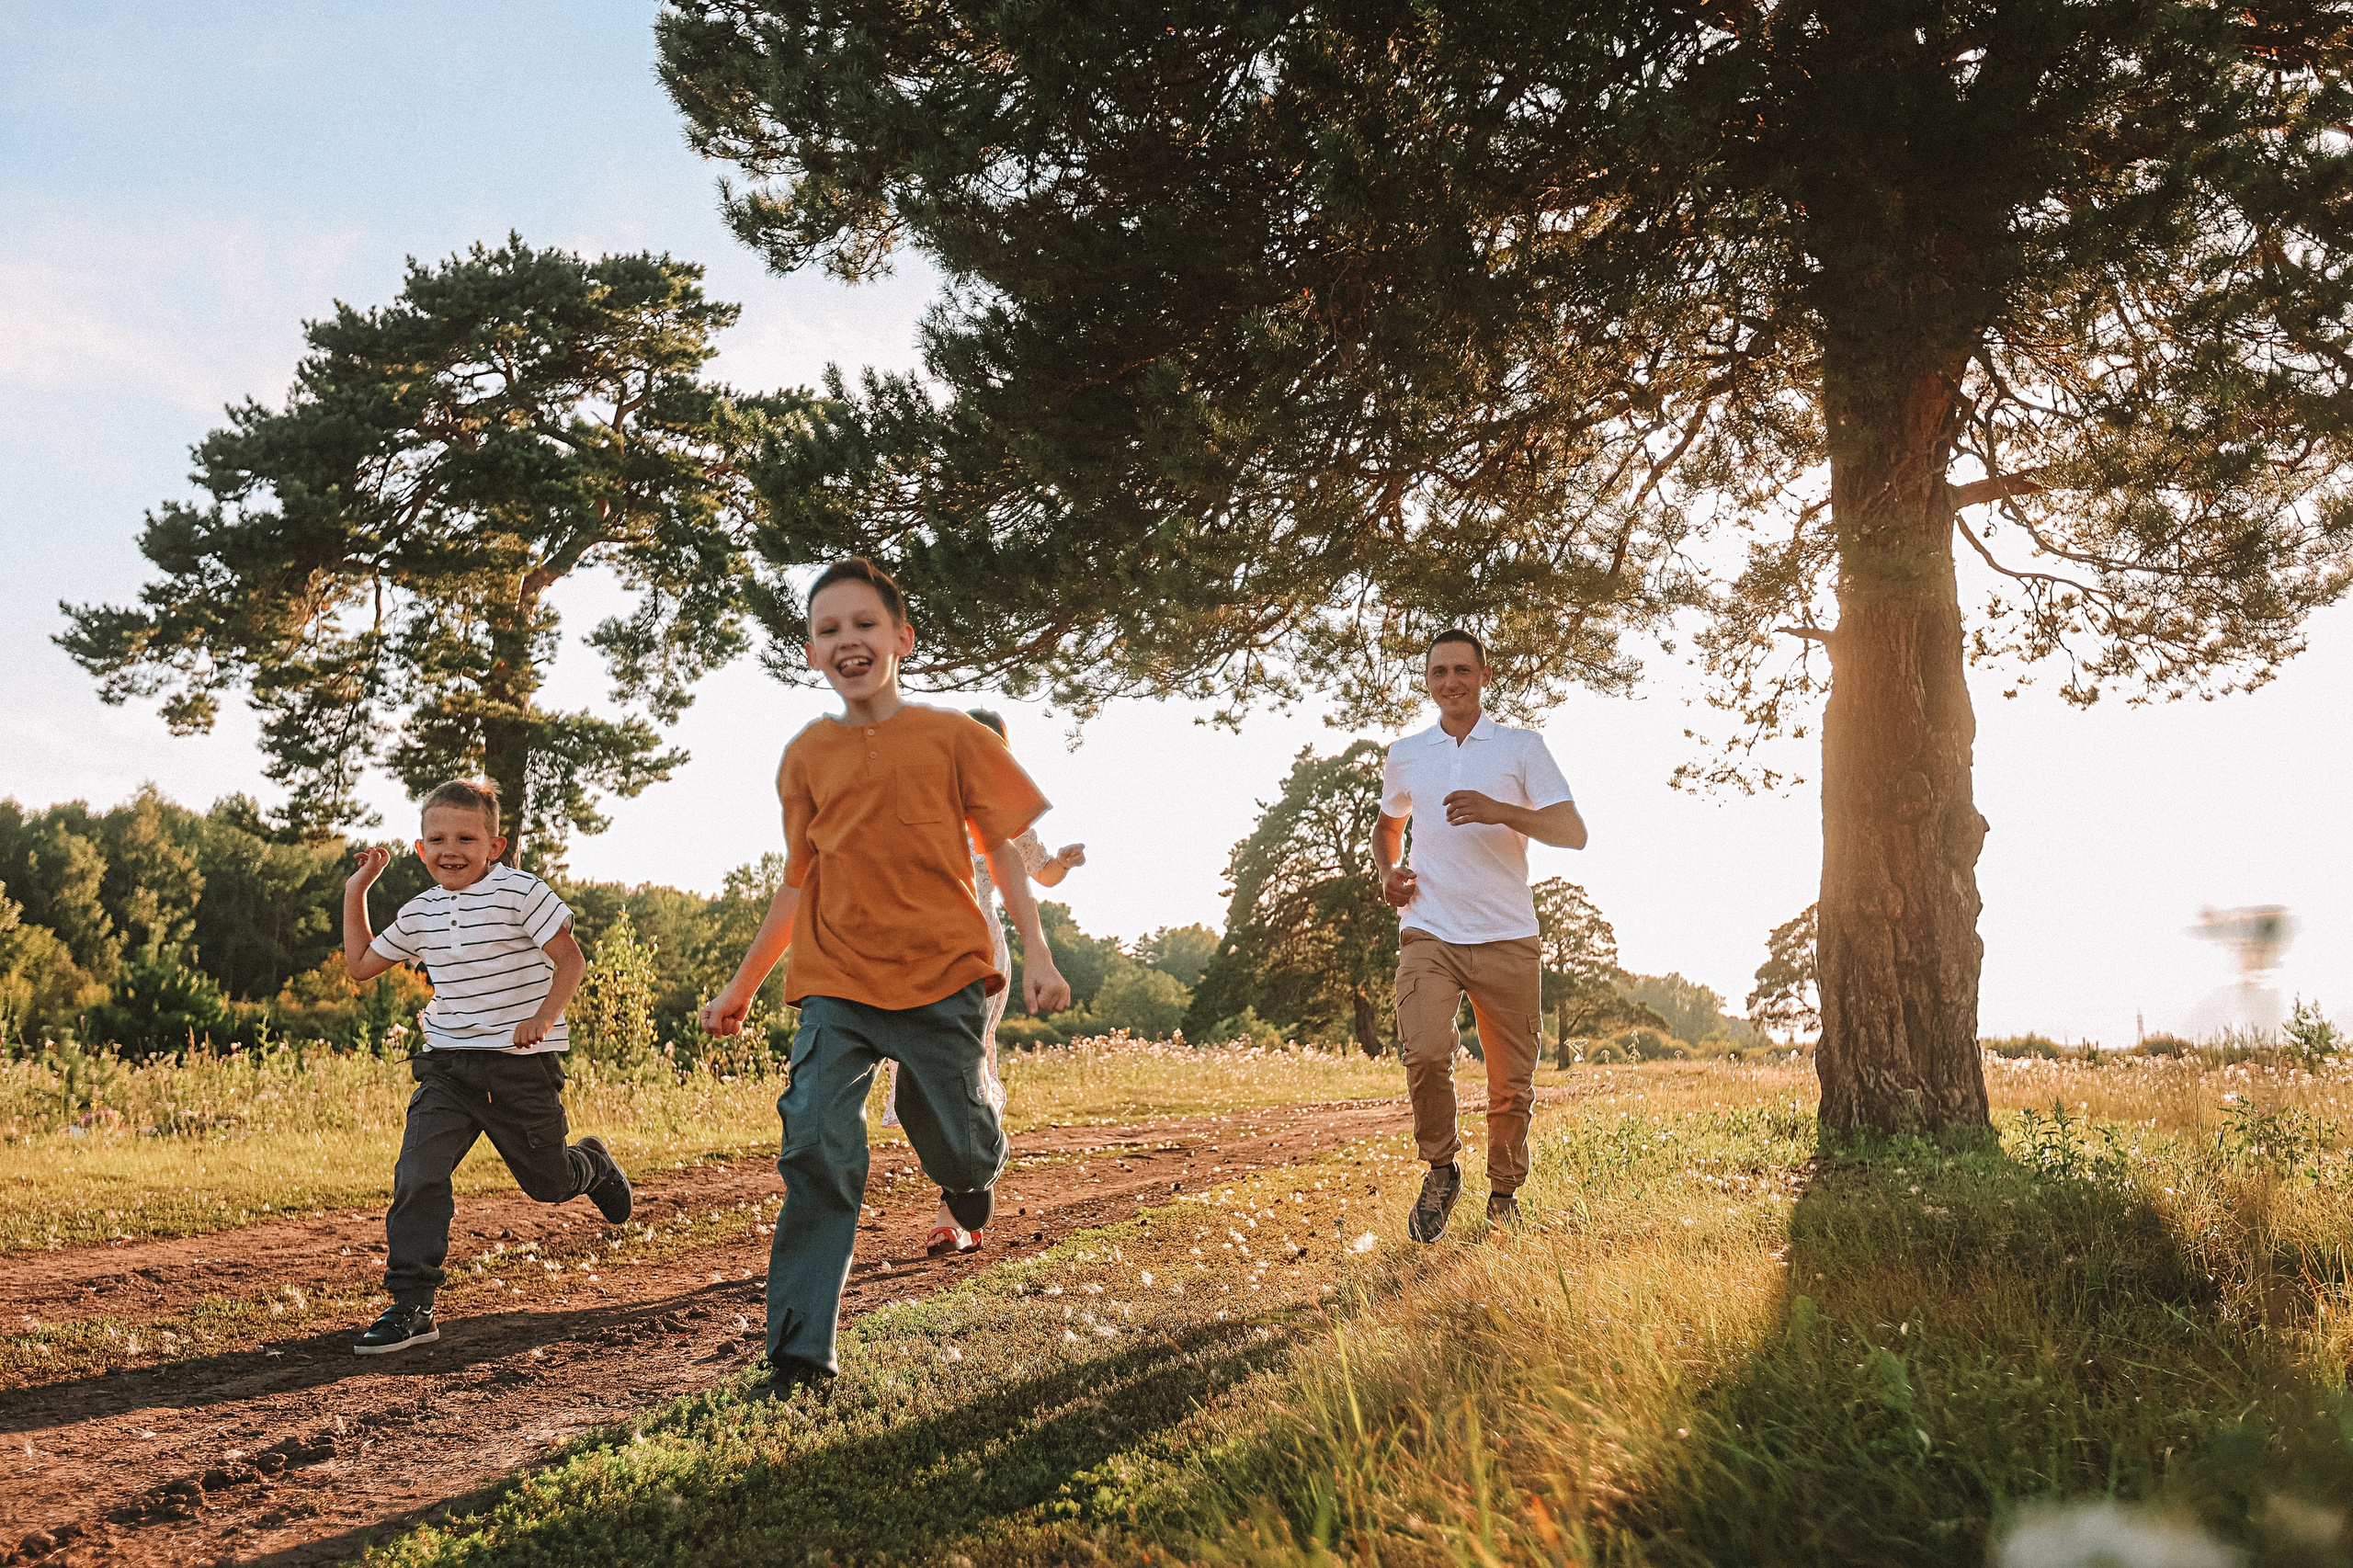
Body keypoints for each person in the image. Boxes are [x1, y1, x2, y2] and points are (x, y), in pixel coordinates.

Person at [699, 557, 1072, 1397]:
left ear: (901, 639)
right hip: (835, 983)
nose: (848, 641)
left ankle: (970, 1177)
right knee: (816, 1148)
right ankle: (799, 1356)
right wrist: (743, 984)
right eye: (828, 629)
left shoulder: (955, 739)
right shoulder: (805, 756)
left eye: (864, 624)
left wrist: (1040, 956)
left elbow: (1006, 853)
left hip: (943, 978)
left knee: (956, 1136)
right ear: (810, 652)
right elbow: (797, 881)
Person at [340, 779, 634, 1356]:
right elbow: (359, 965)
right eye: (437, 838)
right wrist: (359, 888)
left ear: (494, 846)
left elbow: (570, 962)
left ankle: (592, 1166)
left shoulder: (521, 893)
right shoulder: (422, 910)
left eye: (466, 838)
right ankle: (411, 1303)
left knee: (548, 1184)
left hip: (520, 1067)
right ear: (421, 849)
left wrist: (545, 1017)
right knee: (418, 1173)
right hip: (448, 1066)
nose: (451, 849)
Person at [1372, 630, 1586, 1242]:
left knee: (1510, 1083)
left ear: (1485, 675)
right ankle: (1441, 1169)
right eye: (1439, 672)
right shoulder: (1407, 753)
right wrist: (1389, 874)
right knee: (1425, 1052)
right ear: (1428, 682)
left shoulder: (1521, 748)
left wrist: (1503, 811)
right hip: (1429, 929)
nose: (1451, 682)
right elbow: (1388, 829)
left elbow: (1571, 831)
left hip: (1507, 935)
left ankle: (1503, 1195)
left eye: (1462, 670)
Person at [881, 707, 1086, 1255]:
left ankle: (961, 1203)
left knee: (958, 1068)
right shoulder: (923, 807)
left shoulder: (1008, 815)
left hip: (980, 955)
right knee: (916, 1083)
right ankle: (975, 1164)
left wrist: (1062, 864)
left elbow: (1038, 872)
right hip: (918, 956)